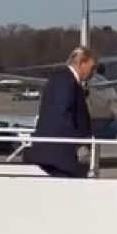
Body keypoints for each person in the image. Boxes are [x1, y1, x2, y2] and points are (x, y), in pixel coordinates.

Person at [33, 47, 95, 176]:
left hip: (54, 152)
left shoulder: (59, 79)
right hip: (61, 156)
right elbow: (62, 115)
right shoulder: (67, 81)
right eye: (92, 67)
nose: (92, 72)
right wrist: (78, 144)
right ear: (82, 63)